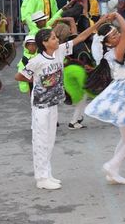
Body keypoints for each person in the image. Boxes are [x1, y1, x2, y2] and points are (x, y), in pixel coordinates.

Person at [15, 16, 106, 190]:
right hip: (40, 106)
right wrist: (39, 82)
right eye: (53, 38)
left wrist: (100, 22)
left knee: (50, 140)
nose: (57, 40)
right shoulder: (36, 61)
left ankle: (47, 174)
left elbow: (80, 37)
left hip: (53, 104)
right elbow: (19, 76)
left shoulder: (60, 51)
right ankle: (41, 178)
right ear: (45, 43)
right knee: (40, 140)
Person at [85, 12, 125, 185]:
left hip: (124, 93)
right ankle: (112, 165)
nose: (118, 35)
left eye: (117, 32)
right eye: (114, 35)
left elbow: (124, 54)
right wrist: (117, 15)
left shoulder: (113, 52)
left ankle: (113, 171)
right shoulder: (117, 51)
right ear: (107, 42)